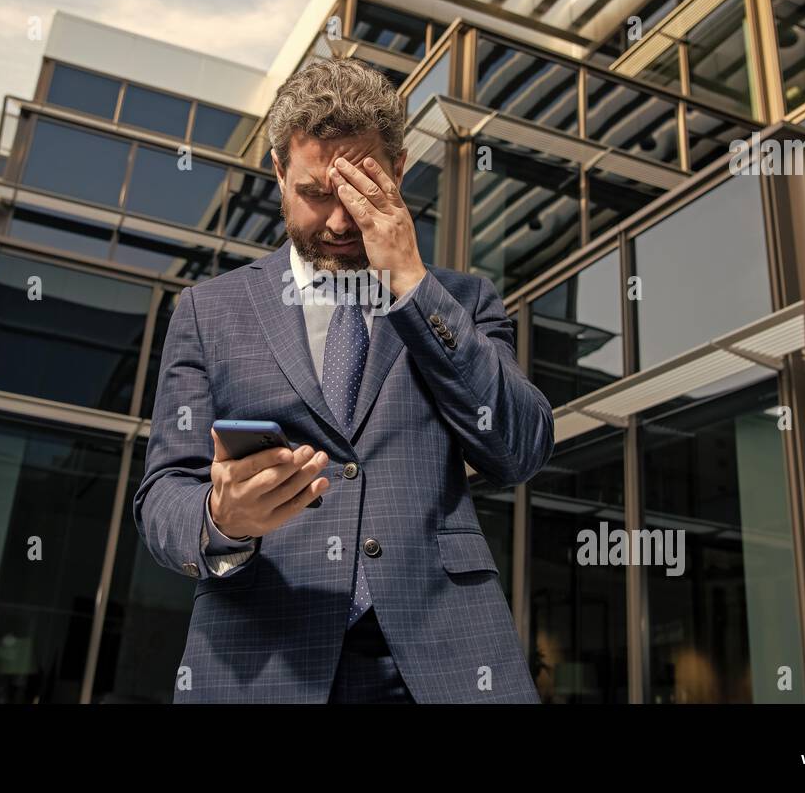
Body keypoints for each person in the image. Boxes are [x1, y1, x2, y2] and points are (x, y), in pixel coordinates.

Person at [134, 57, 554, 703]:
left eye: (359, 190)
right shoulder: (207, 312)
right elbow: (162, 494)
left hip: (443, 662)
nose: (337, 221)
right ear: (278, 172)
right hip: (264, 660)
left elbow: (521, 448)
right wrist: (222, 517)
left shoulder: (461, 303)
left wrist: (413, 285)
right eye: (315, 193)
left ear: (400, 170)